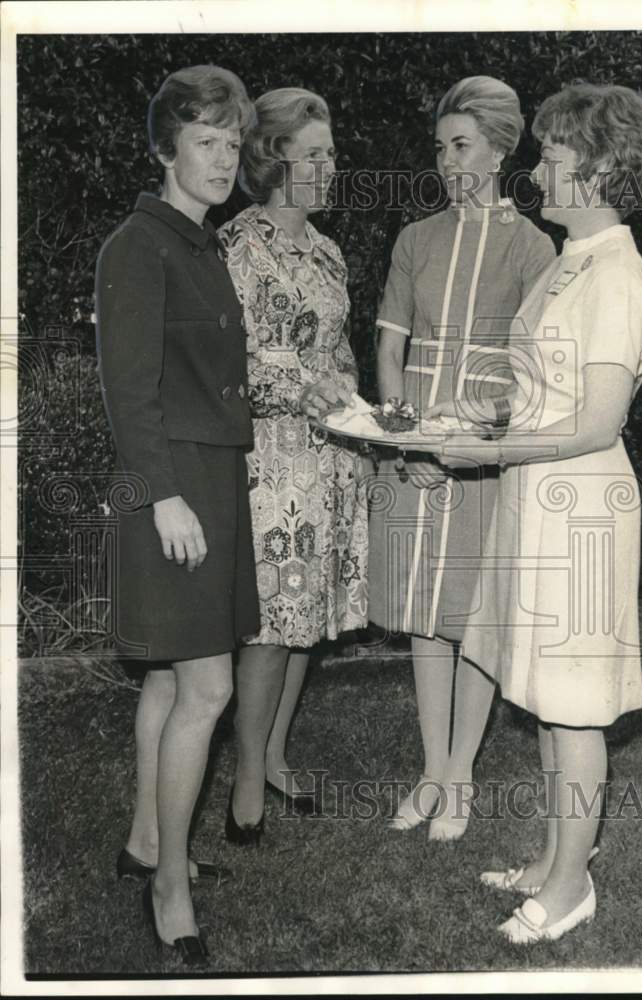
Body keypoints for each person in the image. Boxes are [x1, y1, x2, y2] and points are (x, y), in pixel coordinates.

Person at [431, 83, 642, 942]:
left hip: (583, 514)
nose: (535, 174)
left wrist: (485, 453)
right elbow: (545, 395)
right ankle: (551, 858)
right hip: (539, 499)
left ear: (598, 170)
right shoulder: (574, 261)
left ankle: (569, 888)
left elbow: (596, 423)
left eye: (552, 160)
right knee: (540, 693)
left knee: (573, 707)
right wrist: (485, 419)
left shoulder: (617, 276)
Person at [95, 65, 257, 966]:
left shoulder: (200, 244)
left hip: (206, 480)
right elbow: (129, 391)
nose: (223, 157)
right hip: (169, 487)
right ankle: (171, 889)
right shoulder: (138, 245)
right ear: (166, 149)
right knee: (208, 689)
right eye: (205, 140)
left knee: (166, 678)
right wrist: (162, 497)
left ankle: (146, 844)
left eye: (232, 142)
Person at [369, 76, 555, 841]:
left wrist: (469, 439)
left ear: (501, 149)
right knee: (423, 614)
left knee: (470, 616)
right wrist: (407, 437)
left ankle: (461, 777)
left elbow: (534, 371)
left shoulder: (533, 245)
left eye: (462, 146)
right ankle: (429, 769)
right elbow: (388, 348)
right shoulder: (416, 239)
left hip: (481, 455)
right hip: (415, 450)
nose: (447, 161)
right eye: (441, 147)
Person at [218, 88, 369, 840]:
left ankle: (274, 756)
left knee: (304, 622)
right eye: (315, 154)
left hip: (328, 460)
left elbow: (338, 349)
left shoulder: (327, 248)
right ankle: (245, 786)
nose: (330, 165)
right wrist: (306, 389)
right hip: (269, 465)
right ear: (273, 158)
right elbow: (230, 365)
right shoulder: (237, 246)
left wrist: (353, 404)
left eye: (332, 152)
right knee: (271, 630)